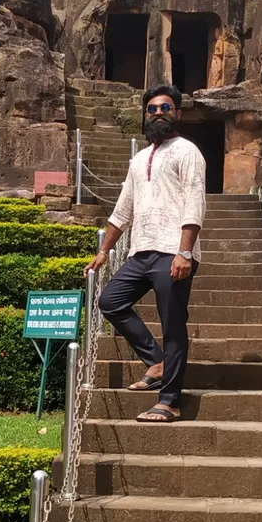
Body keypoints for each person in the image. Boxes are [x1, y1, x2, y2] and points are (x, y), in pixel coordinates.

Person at [86, 85, 206, 423]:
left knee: (173, 325)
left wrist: (185, 250)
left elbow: (196, 200)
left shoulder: (188, 151)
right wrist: (104, 251)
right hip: (140, 251)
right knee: (110, 301)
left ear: (177, 113)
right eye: (151, 109)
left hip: (173, 251)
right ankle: (156, 361)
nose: (157, 114)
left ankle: (169, 401)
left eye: (165, 108)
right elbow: (123, 209)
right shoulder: (139, 159)